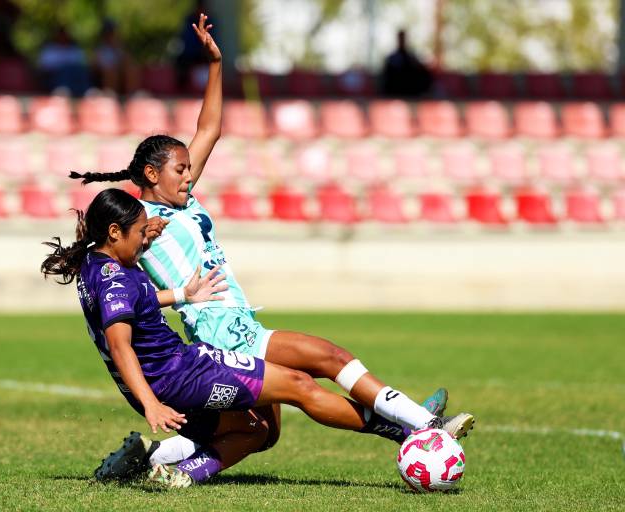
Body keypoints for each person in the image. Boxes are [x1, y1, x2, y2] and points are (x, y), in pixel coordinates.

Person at [69, 14, 473, 482]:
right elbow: (120, 252)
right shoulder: (142, 220)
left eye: (188, 168)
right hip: (219, 328)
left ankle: (154, 458)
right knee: (327, 360)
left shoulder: (182, 198)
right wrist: (143, 246)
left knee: (264, 431)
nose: (189, 175)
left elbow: (210, 129)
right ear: (152, 175)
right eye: (180, 169)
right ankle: (420, 425)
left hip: (235, 320)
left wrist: (216, 64)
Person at [41, 186, 475, 488]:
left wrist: (182, 294)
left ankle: (166, 467)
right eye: (140, 234)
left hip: (172, 373)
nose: (145, 241)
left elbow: (137, 304)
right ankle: (407, 431)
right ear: (114, 232)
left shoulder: (97, 266)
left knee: (255, 430)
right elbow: (121, 346)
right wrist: (152, 403)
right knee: (299, 384)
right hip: (180, 374)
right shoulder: (115, 279)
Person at [37, 27, 90, 97]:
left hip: (75, 76)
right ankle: (62, 90)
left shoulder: (75, 49)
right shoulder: (49, 50)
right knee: (65, 70)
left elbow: (82, 66)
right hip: (55, 77)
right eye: (61, 35)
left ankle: (86, 91)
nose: (63, 37)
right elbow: (44, 68)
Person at [93, 19, 139, 97]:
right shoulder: (99, 50)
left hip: (120, 75)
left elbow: (128, 62)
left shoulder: (120, 48)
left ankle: (132, 96)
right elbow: (95, 66)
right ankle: (110, 96)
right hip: (103, 78)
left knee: (132, 70)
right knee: (111, 72)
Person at [380, 29, 432, 98]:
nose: (402, 40)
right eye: (400, 38)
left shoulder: (412, 59)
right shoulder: (391, 59)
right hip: (394, 93)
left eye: (403, 38)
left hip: (410, 93)